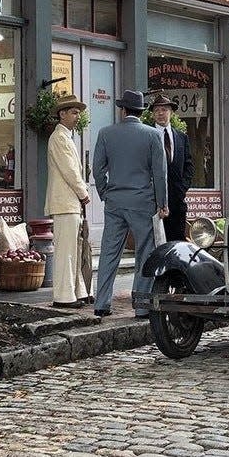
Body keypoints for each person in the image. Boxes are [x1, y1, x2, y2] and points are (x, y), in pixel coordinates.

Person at [92, 90, 168, 319]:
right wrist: (162, 203)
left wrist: (105, 192)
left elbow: (97, 169)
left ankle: (102, 303)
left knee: (109, 252)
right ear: (141, 111)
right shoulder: (153, 135)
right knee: (144, 252)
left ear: (123, 110)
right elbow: (160, 173)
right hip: (143, 202)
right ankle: (142, 305)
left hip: (115, 201)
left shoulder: (106, 133)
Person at [44, 94, 91, 308]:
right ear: (62, 114)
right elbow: (70, 170)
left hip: (70, 202)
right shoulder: (59, 138)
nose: (77, 116)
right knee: (66, 251)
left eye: (78, 113)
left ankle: (76, 291)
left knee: (75, 248)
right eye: (73, 112)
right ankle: (63, 296)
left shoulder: (66, 137)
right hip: (65, 202)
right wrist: (83, 192)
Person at [149, 94, 194, 242]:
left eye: (164, 109)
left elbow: (189, 165)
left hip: (177, 201)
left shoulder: (181, 137)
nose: (160, 113)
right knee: (156, 242)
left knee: (177, 243)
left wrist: (182, 188)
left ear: (171, 112)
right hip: (152, 201)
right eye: (156, 110)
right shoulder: (147, 136)